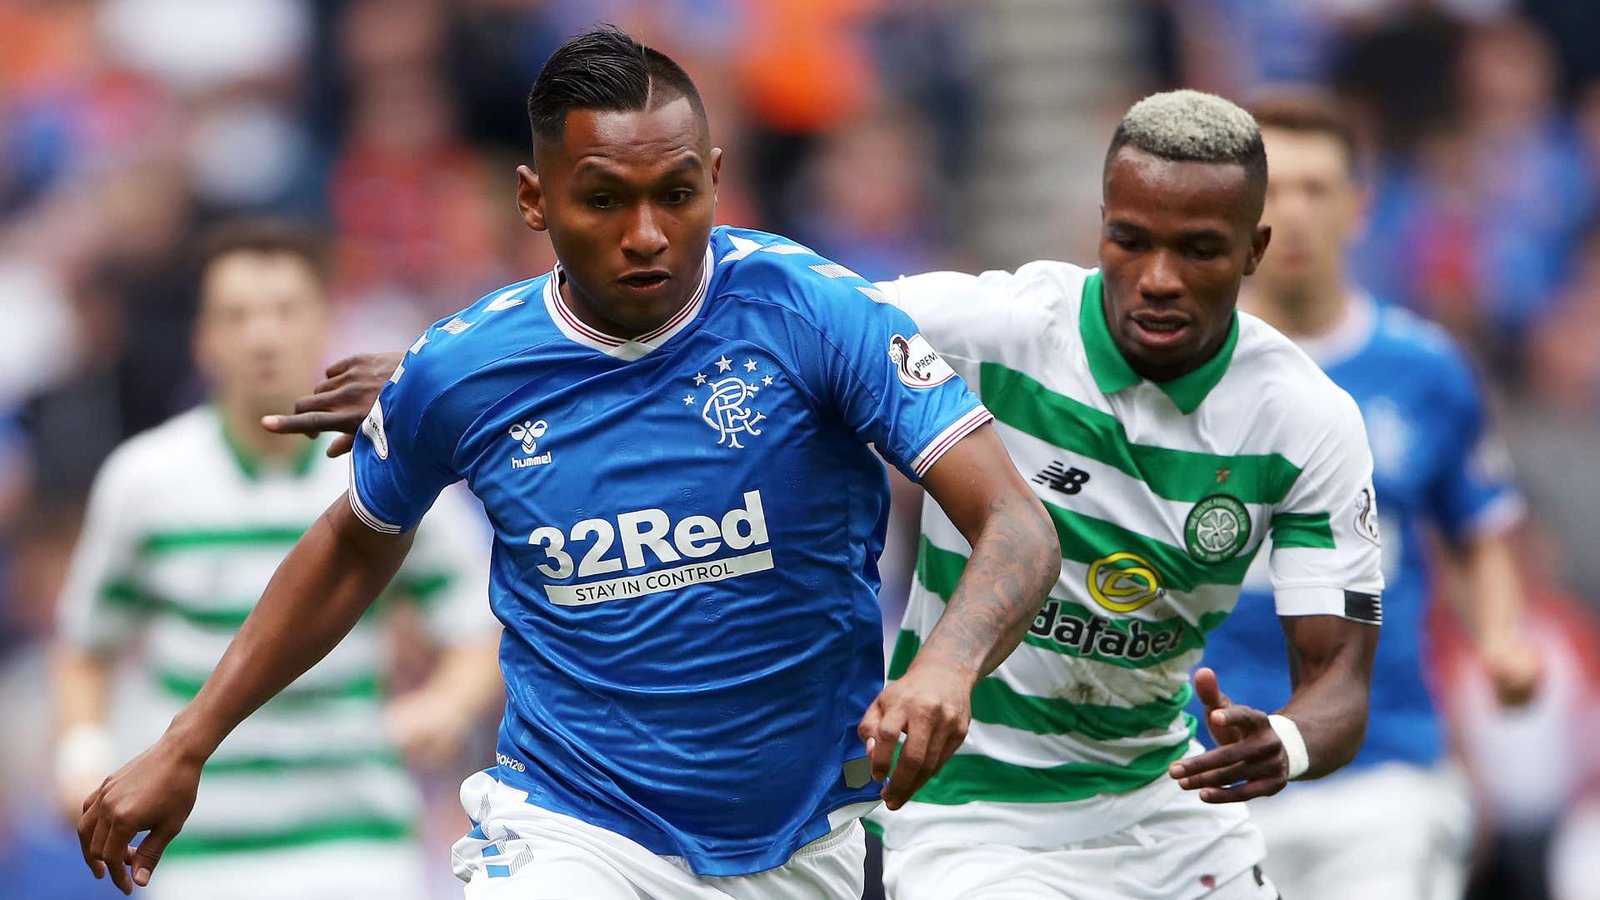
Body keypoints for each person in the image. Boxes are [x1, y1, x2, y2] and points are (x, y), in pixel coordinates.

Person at [274, 90, 1387, 900]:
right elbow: (728, 310)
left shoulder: (1306, 421)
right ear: (1097, 224)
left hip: (1164, 805)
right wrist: (453, 376)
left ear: (1255, 249)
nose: (1156, 278)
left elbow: (1336, 686)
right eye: (1128, 241)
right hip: (963, 808)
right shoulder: (995, 327)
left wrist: (1287, 745)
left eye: (1197, 251)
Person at [74, 28, 1060, 900]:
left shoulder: (816, 315)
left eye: (678, 194)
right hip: (572, 826)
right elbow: (351, 548)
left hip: (808, 837)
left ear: (717, 178)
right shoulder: (460, 372)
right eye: (603, 200)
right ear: (534, 199)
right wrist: (185, 743)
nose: (647, 234)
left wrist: (946, 666)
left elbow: (1016, 522)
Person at [52, 221, 503, 900]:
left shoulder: (388, 466)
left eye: (286, 311)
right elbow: (86, 642)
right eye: (237, 316)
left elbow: (480, 621)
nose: (263, 336)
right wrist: (82, 751)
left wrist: (447, 705)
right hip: (192, 852)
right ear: (202, 337)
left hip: (360, 844)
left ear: (326, 322)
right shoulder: (144, 479)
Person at [1195, 92, 1540, 900]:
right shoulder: (1176, 366)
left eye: (1317, 189)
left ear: (1358, 206)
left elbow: (1478, 530)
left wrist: (1500, 639)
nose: (1294, 214)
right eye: (1273, 191)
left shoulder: (1425, 369)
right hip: (1209, 772)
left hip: (1382, 771)